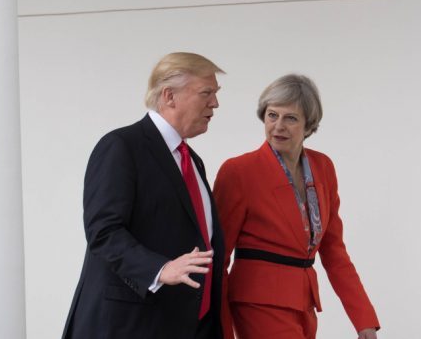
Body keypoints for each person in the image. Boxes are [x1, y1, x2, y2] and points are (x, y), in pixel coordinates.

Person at [62, 52, 226, 339]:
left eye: (215, 94)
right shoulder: (121, 147)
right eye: (206, 93)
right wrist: (160, 269)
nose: (215, 103)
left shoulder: (193, 160)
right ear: (169, 96)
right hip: (129, 324)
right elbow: (103, 231)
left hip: (187, 325)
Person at [213, 74, 380, 339]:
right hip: (257, 301)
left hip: (305, 303)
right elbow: (217, 257)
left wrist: (363, 320)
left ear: (308, 125)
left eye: (290, 118)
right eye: (272, 115)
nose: (278, 126)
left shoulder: (323, 167)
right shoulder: (238, 171)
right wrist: (221, 329)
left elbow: (334, 251)